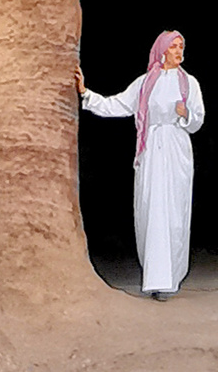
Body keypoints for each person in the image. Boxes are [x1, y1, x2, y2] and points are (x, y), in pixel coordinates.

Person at [75, 30, 205, 300]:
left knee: (175, 213)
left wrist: (186, 115)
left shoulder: (189, 83)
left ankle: (171, 279)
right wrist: (86, 93)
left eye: (182, 46)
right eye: (174, 47)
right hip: (151, 153)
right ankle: (156, 279)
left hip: (177, 149)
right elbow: (118, 104)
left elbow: (198, 121)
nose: (179, 51)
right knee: (151, 211)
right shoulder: (146, 83)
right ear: (162, 51)